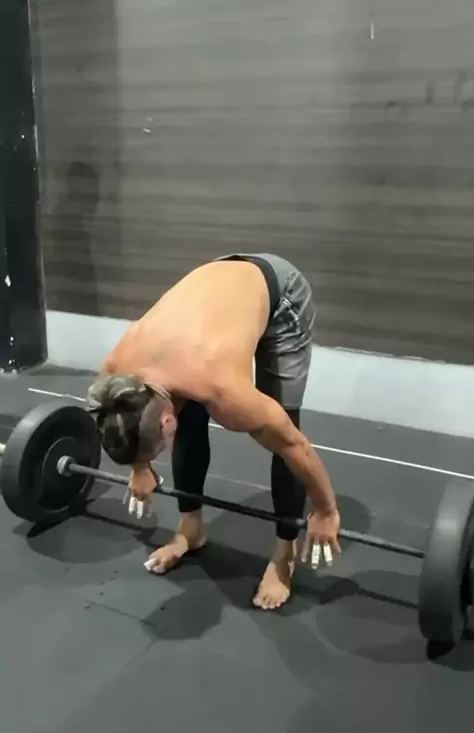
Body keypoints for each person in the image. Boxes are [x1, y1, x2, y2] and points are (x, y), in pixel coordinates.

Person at [86, 253, 341, 610]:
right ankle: (191, 529)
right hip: (212, 295)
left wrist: (326, 511)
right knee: (189, 415)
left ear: (166, 423)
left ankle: (284, 554)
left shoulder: (224, 392)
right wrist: (140, 469)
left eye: (155, 452)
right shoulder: (115, 378)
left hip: (279, 294)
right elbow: (127, 421)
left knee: (282, 421)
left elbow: (294, 447)